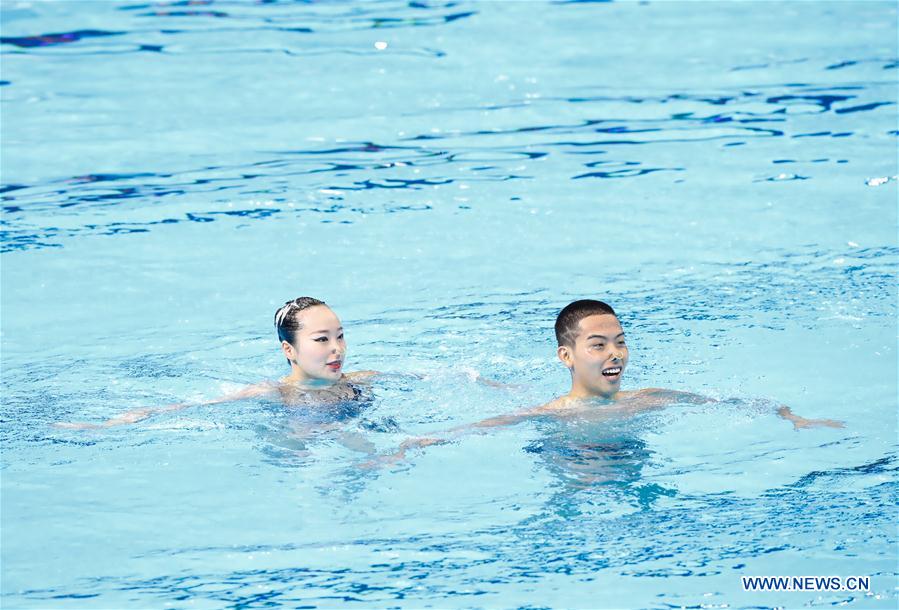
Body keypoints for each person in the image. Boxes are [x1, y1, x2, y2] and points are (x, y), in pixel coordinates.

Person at [383, 299, 844, 462]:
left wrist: (792, 416)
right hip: (574, 468)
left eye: (620, 342)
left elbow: (730, 402)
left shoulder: (650, 398)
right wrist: (415, 444)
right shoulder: (553, 415)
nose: (615, 353)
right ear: (567, 356)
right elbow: (484, 427)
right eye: (598, 344)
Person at [56, 297, 378, 430]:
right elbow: (192, 407)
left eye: (340, 336)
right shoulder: (277, 394)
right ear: (289, 350)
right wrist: (111, 424)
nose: (337, 349)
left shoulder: (358, 382)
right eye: (322, 339)